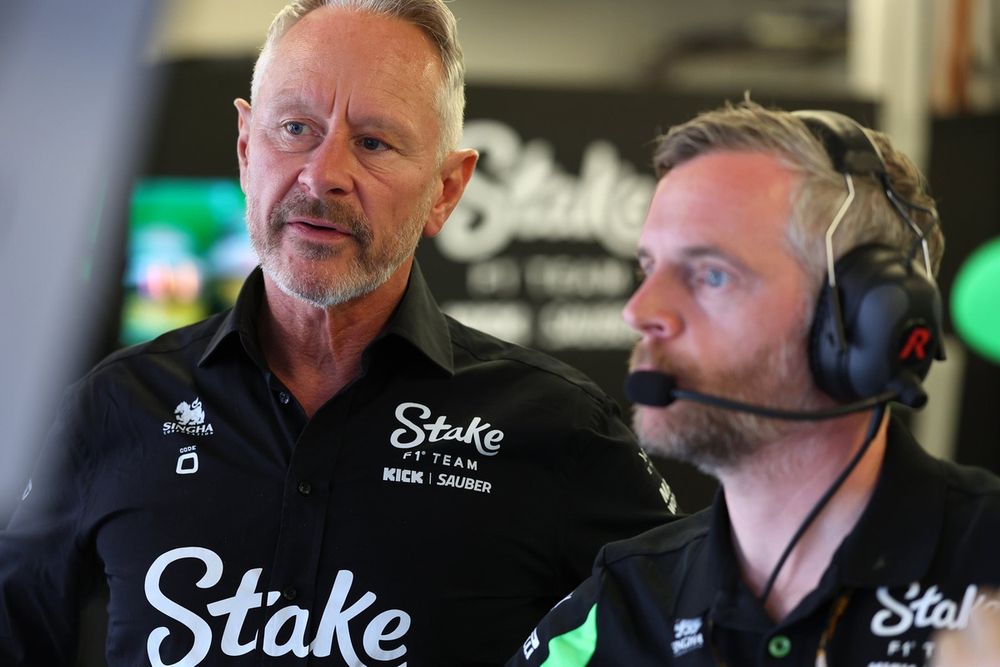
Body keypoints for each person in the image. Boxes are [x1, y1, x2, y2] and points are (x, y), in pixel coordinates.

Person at [0, 1, 677, 665]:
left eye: (374, 142)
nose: (323, 175)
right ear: (245, 149)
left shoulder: (559, 427)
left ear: (447, 189)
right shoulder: (117, 405)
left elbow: (696, 619)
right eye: (294, 128)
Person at [508, 101, 1000, 666]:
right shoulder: (619, 608)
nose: (641, 311)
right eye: (649, 269)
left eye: (712, 274)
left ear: (866, 320)